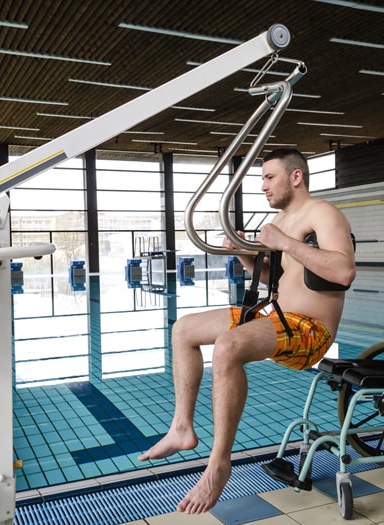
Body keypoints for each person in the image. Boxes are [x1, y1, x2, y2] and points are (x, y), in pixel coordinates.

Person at [138, 148, 356, 514]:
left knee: (227, 347)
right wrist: (244, 253)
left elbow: (344, 272)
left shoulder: (323, 213)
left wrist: (284, 242)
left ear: (296, 177)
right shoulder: (285, 219)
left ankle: (219, 463)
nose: (263, 186)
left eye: (269, 177)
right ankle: (181, 428)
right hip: (280, 319)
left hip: (310, 331)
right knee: (184, 329)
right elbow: (281, 277)